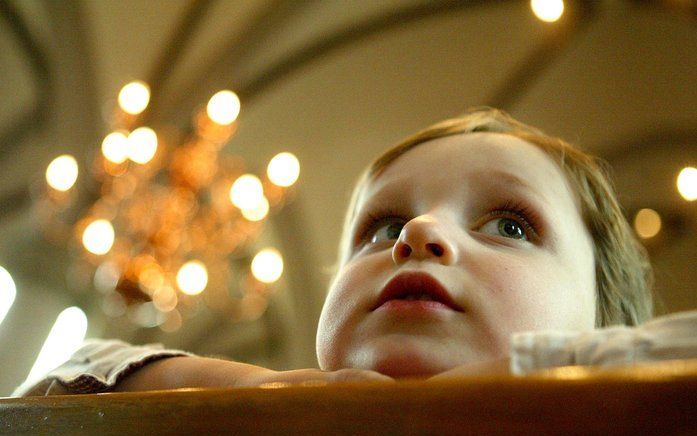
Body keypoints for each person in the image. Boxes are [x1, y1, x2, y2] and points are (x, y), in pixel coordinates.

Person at [13, 107, 696, 396]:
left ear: (609, 325)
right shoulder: (276, 418)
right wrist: (273, 394)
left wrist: (548, 375)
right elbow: (70, 375)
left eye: (510, 226)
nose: (418, 233)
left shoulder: (632, 401)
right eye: (379, 225)